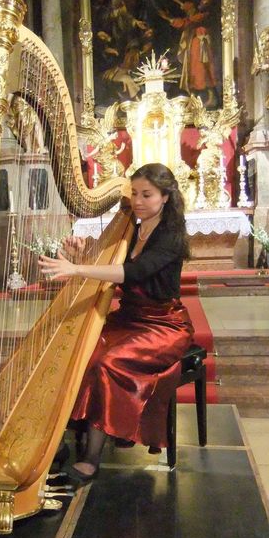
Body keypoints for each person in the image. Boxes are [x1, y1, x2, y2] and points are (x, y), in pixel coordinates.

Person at [38, 163, 195, 482]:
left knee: (108, 363)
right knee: (80, 353)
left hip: (162, 325)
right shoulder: (133, 227)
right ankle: (60, 438)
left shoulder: (171, 236)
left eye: (146, 194)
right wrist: (83, 256)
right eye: (134, 193)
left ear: (165, 196)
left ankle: (92, 457)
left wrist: (77, 270)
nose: (137, 200)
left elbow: (133, 273)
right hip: (129, 318)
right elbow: (111, 263)